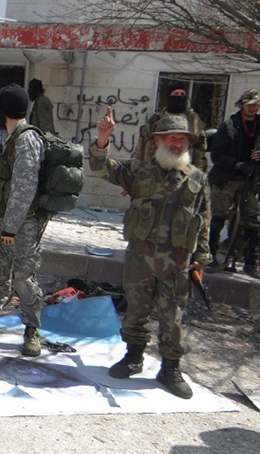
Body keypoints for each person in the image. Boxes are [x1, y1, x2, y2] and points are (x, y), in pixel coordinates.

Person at [89, 108, 211, 399]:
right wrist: (102, 139)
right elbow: (100, 167)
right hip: (140, 259)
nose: (176, 144)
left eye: (182, 139)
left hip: (178, 261)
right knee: (136, 311)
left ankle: (170, 368)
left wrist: (202, 258)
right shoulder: (139, 171)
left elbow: (204, 220)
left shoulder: (198, 179)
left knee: (173, 318)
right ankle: (133, 357)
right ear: (157, 141)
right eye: (171, 138)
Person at [0, 84, 49, 357]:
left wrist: (11, 228)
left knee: (24, 278)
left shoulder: (26, 139)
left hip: (22, 223)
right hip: (4, 218)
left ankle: (32, 331)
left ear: (1, 109)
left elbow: (24, 188)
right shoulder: (9, 136)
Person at [207, 89, 260, 278]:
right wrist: (237, 165)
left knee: (252, 220)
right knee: (218, 218)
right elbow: (217, 155)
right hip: (226, 179)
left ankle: (251, 261)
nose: (253, 108)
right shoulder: (229, 126)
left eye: (256, 105)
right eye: (249, 104)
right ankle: (212, 256)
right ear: (241, 105)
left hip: (249, 180)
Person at [132, 82, 208, 172]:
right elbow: (141, 144)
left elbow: (200, 149)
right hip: (153, 170)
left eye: (182, 94)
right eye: (176, 94)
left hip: (183, 170)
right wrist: (135, 167)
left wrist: (198, 173)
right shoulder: (156, 119)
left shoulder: (193, 120)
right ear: (169, 96)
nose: (179, 97)